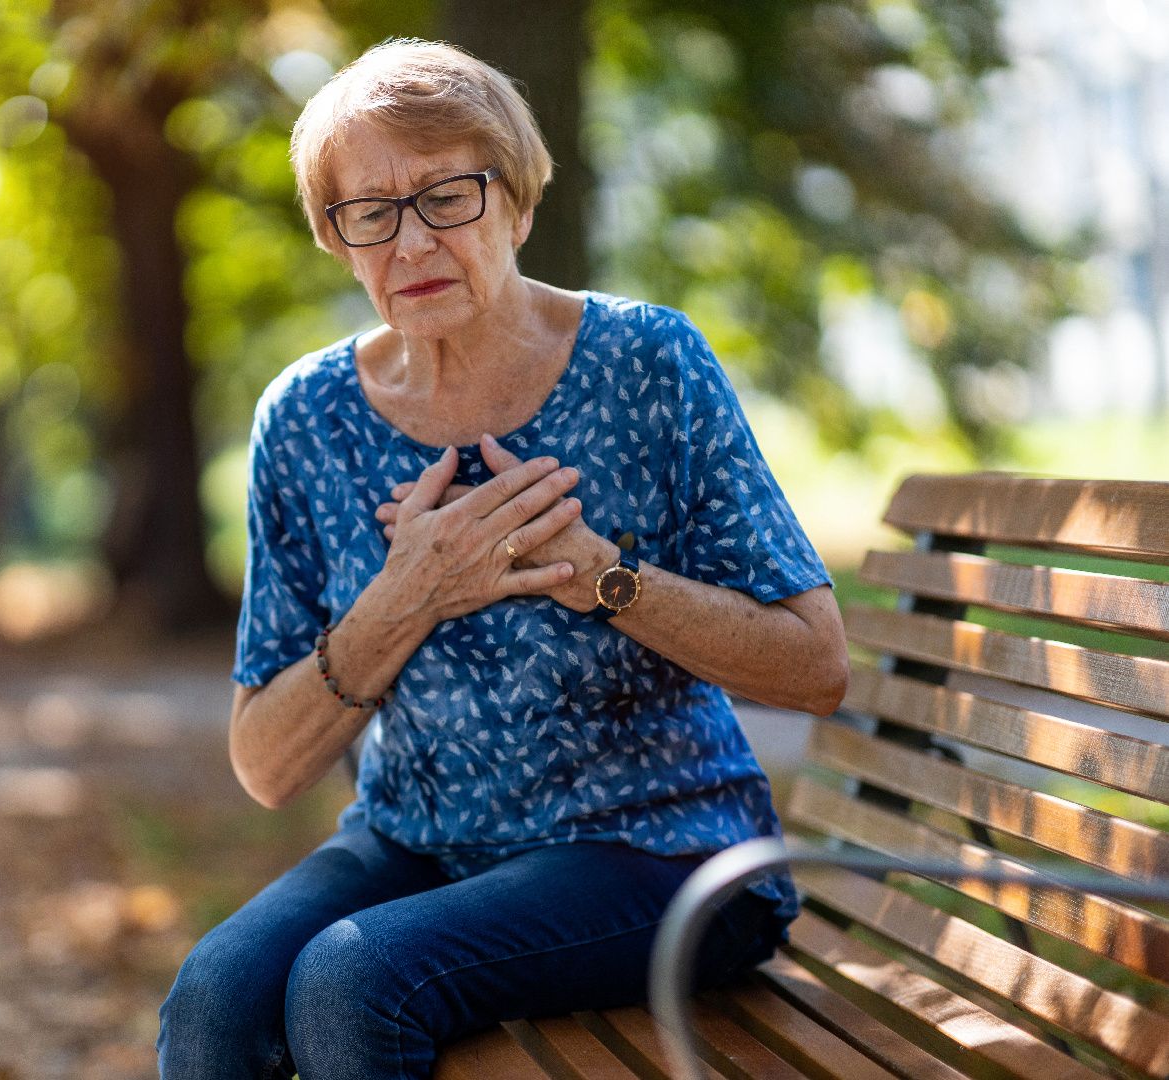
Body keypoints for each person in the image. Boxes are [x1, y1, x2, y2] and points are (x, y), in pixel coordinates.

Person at [157, 39, 848, 1080]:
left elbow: (816, 666)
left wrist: (597, 577)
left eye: (448, 195)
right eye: (371, 213)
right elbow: (265, 763)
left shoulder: (647, 363)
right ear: (336, 241)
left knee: (353, 979)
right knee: (215, 998)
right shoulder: (305, 419)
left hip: (663, 851)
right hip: (418, 840)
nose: (410, 241)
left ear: (517, 205)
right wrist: (408, 596)